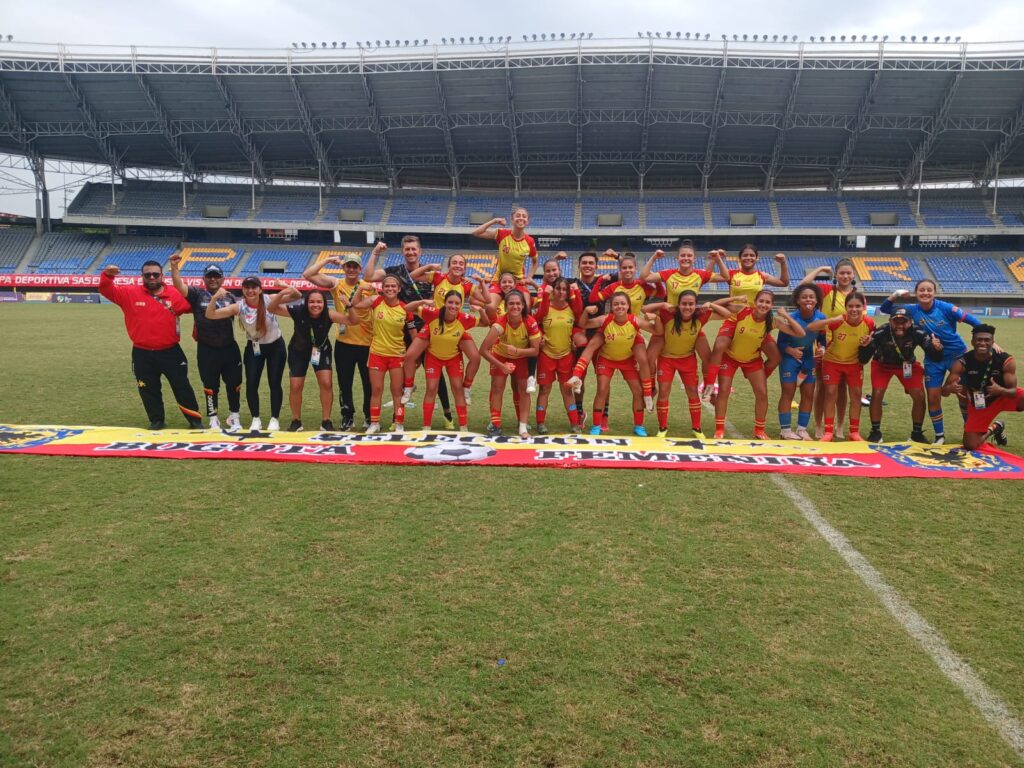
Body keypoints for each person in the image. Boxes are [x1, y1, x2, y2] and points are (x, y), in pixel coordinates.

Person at [364, 237, 457, 429]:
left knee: (435, 375)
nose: (411, 252)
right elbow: (369, 276)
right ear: (402, 251)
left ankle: (448, 415)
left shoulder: (429, 274)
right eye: (407, 249)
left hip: (428, 330)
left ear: (420, 251)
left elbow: (436, 299)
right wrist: (375, 252)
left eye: (414, 249)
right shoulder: (394, 272)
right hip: (402, 330)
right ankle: (395, 420)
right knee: (399, 378)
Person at [99, 260, 203, 430]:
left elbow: (198, 306)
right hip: (142, 353)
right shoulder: (129, 293)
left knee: (182, 386)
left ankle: (194, 419)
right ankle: (157, 420)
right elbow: (106, 290)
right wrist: (107, 275)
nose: (152, 277)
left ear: (162, 276)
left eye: (156, 274)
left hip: (171, 352)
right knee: (147, 388)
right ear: (142, 277)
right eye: (148, 275)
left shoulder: (175, 294)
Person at [879, 279, 983, 444]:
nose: (925, 293)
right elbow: (885, 309)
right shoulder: (912, 310)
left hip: (957, 356)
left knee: (963, 395)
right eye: (922, 290)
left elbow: (975, 322)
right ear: (916, 293)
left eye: (929, 290)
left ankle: (970, 432)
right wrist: (897, 294)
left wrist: (989, 341)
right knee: (933, 397)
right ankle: (939, 436)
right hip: (933, 359)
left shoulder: (946, 308)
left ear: (935, 292)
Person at [644, 292, 739, 438]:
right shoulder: (668, 314)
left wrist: (712, 304)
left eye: (691, 304)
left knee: (693, 393)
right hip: (667, 359)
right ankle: (662, 427)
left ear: (696, 305)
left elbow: (727, 314)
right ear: (679, 304)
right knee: (663, 393)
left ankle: (697, 428)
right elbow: (645, 309)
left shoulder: (701, 315)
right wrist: (663, 304)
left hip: (687, 359)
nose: (687, 307)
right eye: (684, 304)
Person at [713, 290, 804, 440]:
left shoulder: (773, 320)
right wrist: (735, 298)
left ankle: (759, 430)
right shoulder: (743, 309)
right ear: (755, 302)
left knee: (762, 394)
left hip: (752, 361)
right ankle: (719, 429)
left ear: (772, 305)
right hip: (729, 357)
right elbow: (715, 305)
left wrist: (786, 315)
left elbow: (800, 333)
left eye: (768, 302)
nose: (764, 304)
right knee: (723, 391)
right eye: (761, 301)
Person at [344, 274, 430, 434]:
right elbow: (355, 304)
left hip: (397, 356)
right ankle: (374, 423)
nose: (390, 289)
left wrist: (415, 356)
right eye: (387, 286)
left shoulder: (405, 309)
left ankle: (399, 424)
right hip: (377, 353)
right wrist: (360, 288)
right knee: (376, 390)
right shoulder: (375, 301)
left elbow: (413, 334)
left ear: (398, 289)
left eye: (393, 286)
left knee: (397, 391)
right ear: (382, 289)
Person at [704, 245, 789, 401]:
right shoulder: (732, 274)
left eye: (751, 255)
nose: (748, 258)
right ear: (739, 258)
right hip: (735, 318)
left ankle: (758, 376)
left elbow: (784, 282)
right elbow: (707, 276)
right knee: (719, 346)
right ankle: (709, 384)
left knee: (776, 356)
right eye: (745, 255)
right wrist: (716, 259)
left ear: (757, 258)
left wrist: (783, 262)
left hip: (757, 322)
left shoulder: (762, 275)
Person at [169, 254, 243, 432]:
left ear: (222, 279)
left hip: (229, 348)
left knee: (234, 384)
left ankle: (234, 415)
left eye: (216, 276)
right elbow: (179, 285)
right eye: (209, 276)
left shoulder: (230, 297)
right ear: (204, 279)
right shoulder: (196, 294)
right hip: (207, 349)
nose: (213, 279)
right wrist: (174, 267)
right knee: (210, 385)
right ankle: (213, 417)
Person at [302, 254, 375, 430]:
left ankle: (370, 415)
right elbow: (308, 275)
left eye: (355, 267)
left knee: (369, 383)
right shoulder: (336, 284)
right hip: (344, 342)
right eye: (348, 266)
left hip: (367, 342)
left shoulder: (368, 288)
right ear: (344, 268)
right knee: (345, 382)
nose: (351, 270)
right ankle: (347, 416)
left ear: (360, 269)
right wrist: (327, 260)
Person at [568, 292, 657, 437]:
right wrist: (585, 311)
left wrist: (656, 318)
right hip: (607, 359)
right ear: (611, 306)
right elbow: (583, 324)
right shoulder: (605, 320)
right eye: (616, 304)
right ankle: (596, 425)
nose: (619, 306)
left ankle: (639, 426)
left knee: (638, 391)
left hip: (627, 360)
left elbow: (657, 330)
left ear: (629, 306)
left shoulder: (635, 320)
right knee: (602, 390)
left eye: (623, 303)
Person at [205, 277, 285, 432]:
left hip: (275, 347)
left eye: (254, 287)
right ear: (242, 290)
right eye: (247, 287)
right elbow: (210, 315)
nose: (250, 290)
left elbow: (296, 295)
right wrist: (215, 297)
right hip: (254, 348)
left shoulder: (269, 299)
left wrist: (283, 286)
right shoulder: (239, 306)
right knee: (252, 383)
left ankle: (274, 418)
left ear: (260, 289)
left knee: (274, 383)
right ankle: (256, 418)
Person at [267, 285, 349, 432]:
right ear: (306, 303)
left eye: (319, 302)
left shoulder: (329, 314)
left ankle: (326, 421)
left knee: (326, 383)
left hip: (321, 349)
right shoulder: (298, 311)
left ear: (324, 303)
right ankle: (296, 421)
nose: (315, 305)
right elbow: (272, 308)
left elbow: (353, 320)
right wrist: (281, 294)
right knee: (296, 386)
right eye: (312, 302)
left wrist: (350, 305)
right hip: (298, 351)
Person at [858, 306, 943, 443]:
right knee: (877, 393)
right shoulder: (881, 331)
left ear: (910, 322)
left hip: (907, 364)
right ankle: (875, 432)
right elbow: (863, 359)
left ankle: (917, 433)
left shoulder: (918, 332)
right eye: (896, 321)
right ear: (890, 321)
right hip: (882, 364)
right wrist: (865, 346)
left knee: (919, 395)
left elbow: (934, 355)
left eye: (903, 321)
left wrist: (937, 348)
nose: (899, 325)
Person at [407, 291, 482, 431]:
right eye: (450, 302)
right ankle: (426, 426)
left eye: (457, 303)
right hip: (433, 356)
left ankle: (463, 426)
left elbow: (485, 322)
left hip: (453, 357)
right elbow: (407, 308)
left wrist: (481, 310)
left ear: (461, 305)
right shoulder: (433, 314)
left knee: (457, 389)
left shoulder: (464, 318)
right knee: (431, 388)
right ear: (445, 303)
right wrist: (422, 302)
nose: (453, 306)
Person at [941, 324, 1023, 450]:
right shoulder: (962, 362)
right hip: (981, 403)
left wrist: (1000, 390)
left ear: (993, 342)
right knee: (970, 445)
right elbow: (944, 392)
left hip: (1003, 395)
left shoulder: (1005, 360)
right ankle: (996, 428)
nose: (983, 343)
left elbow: (1012, 392)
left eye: (987, 340)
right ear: (973, 342)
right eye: (979, 340)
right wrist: (950, 389)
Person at [805, 291, 873, 442]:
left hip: (854, 364)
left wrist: (868, 343)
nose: (854, 309)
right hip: (832, 362)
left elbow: (872, 344)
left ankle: (854, 432)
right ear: (846, 307)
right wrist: (830, 320)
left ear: (863, 307)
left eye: (858, 306)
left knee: (856, 395)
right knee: (830, 393)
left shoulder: (869, 323)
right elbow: (811, 327)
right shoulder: (838, 321)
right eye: (850, 306)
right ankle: (828, 431)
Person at [803, 258, 858, 438]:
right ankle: (819, 426)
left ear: (854, 275)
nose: (845, 276)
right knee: (823, 387)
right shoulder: (827, 290)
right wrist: (819, 269)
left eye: (848, 273)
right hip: (823, 346)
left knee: (842, 388)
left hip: (847, 348)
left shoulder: (857, 296)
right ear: (835, 275)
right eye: (842, 273)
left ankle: (840, 426)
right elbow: (803, 286)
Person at [478, 290, 542, 438]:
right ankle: (495, 424)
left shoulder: (530, 322)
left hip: (520, 357)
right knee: (497, 387)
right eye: (511, 304)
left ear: (523, 305)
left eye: (518, 303)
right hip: (500, 357)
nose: (515, 306)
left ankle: (523, 427)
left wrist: (518, 351)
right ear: (506, 306)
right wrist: (502, 366)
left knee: (524, 390)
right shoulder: (499, 324)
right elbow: (483, 350)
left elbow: (535, 351)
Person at [533, 277, 586, 433]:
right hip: (546, 355)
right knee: (544, 390)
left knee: (567, 390)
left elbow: (578, 327)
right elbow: (535, 324)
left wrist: (575, 339)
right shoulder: (545, 308)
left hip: (566, 356)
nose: (561, 292)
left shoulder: (572, 309)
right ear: (553, 290)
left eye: (564, 289)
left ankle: (574, 424)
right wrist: (540, 335)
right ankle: (540, 422)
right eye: (558, 288)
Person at [775, 283, 826, 441]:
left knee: (808, 394)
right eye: (804, 297)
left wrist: (822, 348)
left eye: (811, 297)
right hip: (790, 359)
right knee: (788, 392)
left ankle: (802, 430)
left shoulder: (821, 318)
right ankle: (785, 430)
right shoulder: (792, 318)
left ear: (817, 300)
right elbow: (781, 342)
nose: (808, 300)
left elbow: (822, 339)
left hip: (808, 359)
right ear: (797, 301)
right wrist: (791, 351)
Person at [471, 207, 538, 311]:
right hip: (498, 280)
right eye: (518, 215)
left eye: (524, 216)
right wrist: (494, 221)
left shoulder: (529, 241)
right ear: (512, 219)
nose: (521, 218)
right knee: (490, 307)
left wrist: (529, 278)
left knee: (526, 308)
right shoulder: (502, 234)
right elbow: (476, 233)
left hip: (519, 281)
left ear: (527, 221)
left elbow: (535, 262)